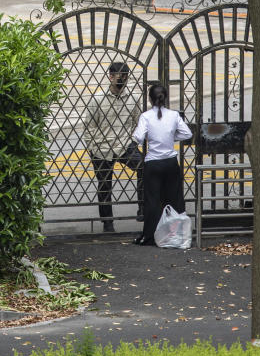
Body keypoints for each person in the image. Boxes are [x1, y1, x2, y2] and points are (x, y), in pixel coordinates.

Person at [81, 60, 145, 233]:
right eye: (119, 77)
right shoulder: (97, 99)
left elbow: (136, 121)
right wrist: (94, 146)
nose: (122, 81)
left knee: (144, 168)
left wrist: (132, 140)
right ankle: (107, 222)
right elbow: (89, 127)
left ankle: (143, 208)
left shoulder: (133, 98)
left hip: (124, 144)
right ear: (110, 77)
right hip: (101, 148)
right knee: (104, 185)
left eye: (125, 78)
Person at [130, 82, 192, 245]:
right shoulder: (173, 115)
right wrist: (171, 137)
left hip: (153, 163)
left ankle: (149, 236)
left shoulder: (146, 116)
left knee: (152, 201)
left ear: (150, 99)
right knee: (174, 199)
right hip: (171, 162)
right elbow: (187, 133)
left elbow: (138, 137)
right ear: (165, 98)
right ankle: (177, 235)